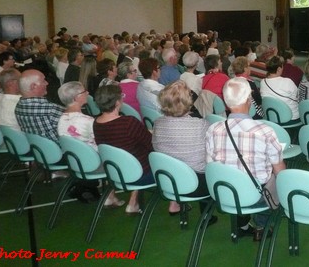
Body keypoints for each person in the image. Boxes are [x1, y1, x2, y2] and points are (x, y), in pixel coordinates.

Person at [206, 77, 285, 240]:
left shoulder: (213, 129)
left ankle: (242, 224)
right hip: (257, 198)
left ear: (226, 102)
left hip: (225, 192)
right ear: (249, 99)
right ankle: (262, 225)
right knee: (277, 175)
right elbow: (280, 172)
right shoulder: (265, 130)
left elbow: (210, 164)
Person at [152, 81, 217, 223]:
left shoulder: (157, 123)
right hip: (197, 185)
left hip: (168, 181)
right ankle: (206, 215)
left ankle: (177, 203)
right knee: (208, 165)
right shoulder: (201, 125)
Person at [93, 84, 153, 214]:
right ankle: (174, 204)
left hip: (116, 171)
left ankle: (129, 199)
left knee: (133, 154)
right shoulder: (128, 122)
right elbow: (151, 144)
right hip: (140, 173)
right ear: (117, 102)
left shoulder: (96, 123)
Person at [15, 69, 64, 143]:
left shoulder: (18, 106)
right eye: (43, 81)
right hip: (61, 149)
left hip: (39, 148)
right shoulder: (51, 110)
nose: (47, 83)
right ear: (34, 86)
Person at [260, 56, 299, 120]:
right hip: (291, 117)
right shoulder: (287, 82)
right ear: (279, 69)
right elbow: (297, 96)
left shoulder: (262, 82)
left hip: (272, 116)